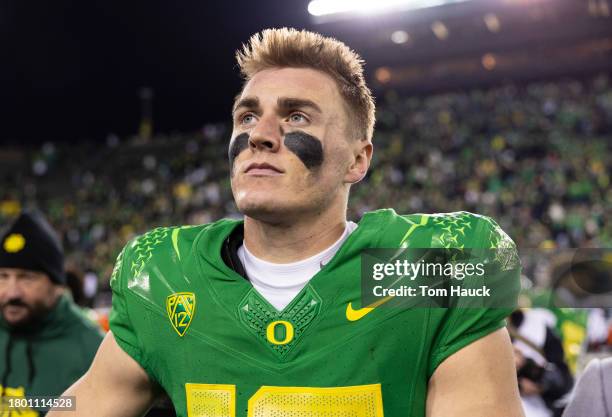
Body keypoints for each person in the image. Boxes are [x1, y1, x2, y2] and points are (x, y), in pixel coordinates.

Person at [52, 28, 524, 417]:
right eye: (247, 116)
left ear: (357, 161)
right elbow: (81, 405)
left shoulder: (429, 265)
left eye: (296, 116)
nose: (259, 134)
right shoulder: (164, 272)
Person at [0, 211, 104, 415]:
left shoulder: (95, 350)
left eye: (26, 278)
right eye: (3, 276)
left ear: (57, 285)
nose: (11, 292)